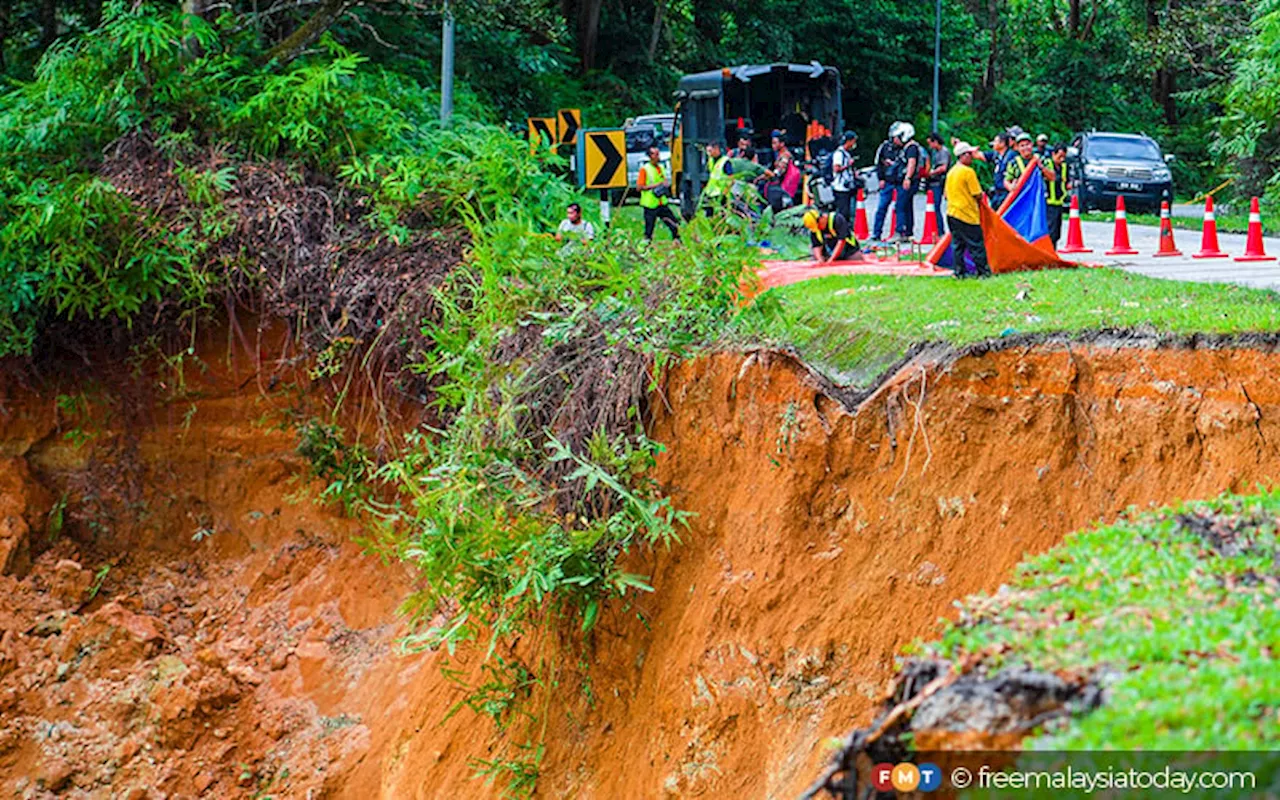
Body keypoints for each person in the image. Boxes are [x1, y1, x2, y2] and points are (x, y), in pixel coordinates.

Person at [944, 142, 990, 278]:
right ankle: (983, 272)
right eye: (970, 154)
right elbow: (977, 194)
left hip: (952, 213)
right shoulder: (968, 172)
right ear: (963, 156)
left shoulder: (951, 172)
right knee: (976, 244)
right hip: (967, 214)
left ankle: (959, 272)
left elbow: (946, 195)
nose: (972, 157)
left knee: (958, 245)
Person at [637, 145, 680, 242]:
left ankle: (677, 241)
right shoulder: (645, 169)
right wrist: (656, 185)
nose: (658, 156)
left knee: (674, 223)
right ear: (650, 156)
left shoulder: (661, 167)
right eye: (655, 154)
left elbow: (663, 180)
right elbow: (639, 187)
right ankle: (645, 246)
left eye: (658, 154)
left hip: (661, 202)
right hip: (650, 204)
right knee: (649, 229)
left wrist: (665, 184)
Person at [757, 130, 800, 212]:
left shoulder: (785, 156)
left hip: (781, 189)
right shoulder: (780, 154)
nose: (773, 146)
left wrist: (764, 176)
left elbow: (778, 172)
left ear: (782, 144)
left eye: (775, 143)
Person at [894, 122, 923, 241]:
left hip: (909, 180)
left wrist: (907, 178)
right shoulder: (910, 147)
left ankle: (901, 231)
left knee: (900, 206)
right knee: (907, 206)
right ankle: (908, 231)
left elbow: (912, 163)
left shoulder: (911, 148)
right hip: (910, 180)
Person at [872, 125, 901, 241]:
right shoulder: (884, 147)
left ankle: (899, 232)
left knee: (900, 208)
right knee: (882, 207)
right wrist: (881, 179)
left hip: (899, 181)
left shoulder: (905, 148)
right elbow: (878, 163)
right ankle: (876, 233)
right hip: (887, 181)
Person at [1043, 143, 1072, 247]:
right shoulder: (1046, 164)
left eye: (1064, 157)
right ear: (1053, 154)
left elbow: (1067, 181)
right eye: (1059, 157)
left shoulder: (1064, 166)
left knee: (1056, 232)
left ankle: (1053, 250)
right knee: (1050, 230)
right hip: (1048, 202)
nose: (1062, 159)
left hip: (1059, 202)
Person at [925, 132, 950, 235]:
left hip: (939, 182)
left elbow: (943, 167)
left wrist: (932, 172)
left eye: (930, 143)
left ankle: (940, 231)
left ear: (935, 142)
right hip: (935, 181)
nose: (930, 146)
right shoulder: (937, 153)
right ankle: (938, 230)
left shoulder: (943, 152)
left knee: (936, 206)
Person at [979, 132, 1013, 209]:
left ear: (1002, 143)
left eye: (995, 141)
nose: (993, 144)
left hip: (1006, 193)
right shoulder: (996, 155)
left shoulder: (1011, 157)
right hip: (998, 193)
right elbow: (978, 155)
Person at [701, 140, 735, 214]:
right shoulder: (711, 160)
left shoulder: (725, 162)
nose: (708, 153)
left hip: (721, 193)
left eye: (710, 151)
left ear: (716, 149)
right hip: (711, 192)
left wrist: (726, 190)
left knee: (723, 213)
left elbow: (731, 178)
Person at [832, 131, 859, 220]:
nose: (854, 144)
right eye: (853, 141)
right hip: (840, 187)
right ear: (849, 141)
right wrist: (848, 165)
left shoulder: (847, 153)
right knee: (843, 212)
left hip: (848, 186)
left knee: (848, 212)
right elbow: (836, 168)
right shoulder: (839, 153)